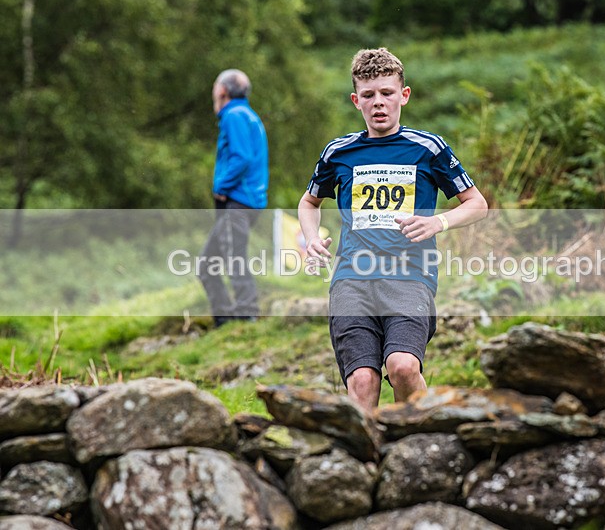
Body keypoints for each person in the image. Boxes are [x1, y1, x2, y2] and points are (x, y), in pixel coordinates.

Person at [298, 48, 488, 411]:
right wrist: (310, 240)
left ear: (404, 95)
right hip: (352, 277)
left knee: (402, 367)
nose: (378, 103)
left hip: (410, 276)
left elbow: (477, 204)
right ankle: (368, 460)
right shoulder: (338, 152)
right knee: (363, 380)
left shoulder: (427, 148)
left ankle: (414, 438)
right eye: (368, 95)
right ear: (356, 101)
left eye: (387, 93)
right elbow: (309, 202)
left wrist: (438, 221)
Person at [198, 69, 269, 327]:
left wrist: (222, 187)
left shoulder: (234, 115)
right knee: (208, 265)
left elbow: (242, 157)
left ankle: (246, 315)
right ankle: (225, 320)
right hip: (246, 200)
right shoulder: (246, 114)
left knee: (232, 258)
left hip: (239, 200)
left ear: (222, 92)